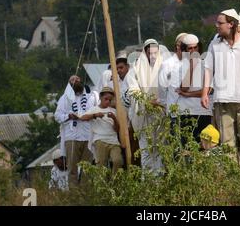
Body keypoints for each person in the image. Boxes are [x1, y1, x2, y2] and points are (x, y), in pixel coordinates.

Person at [202, 8, 240, 175]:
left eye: (220, 23)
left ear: (231, 24)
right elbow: (208, 68)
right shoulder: (215, 44)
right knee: (227, 142)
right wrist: (205, 92)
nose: (216, 26)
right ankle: (232, 176)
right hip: (222, 99)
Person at [126, 39, 167, 175]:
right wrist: (146, 102)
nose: (153, 56)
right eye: (150, 53)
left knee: (161, 150)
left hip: (162, 115)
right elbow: (133, 91)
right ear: (145, 53)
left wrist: (161, 102)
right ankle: (149, 183)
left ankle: (160, 183)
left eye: (155, 53)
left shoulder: (165, 67)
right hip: (144, 117)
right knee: (147, 151)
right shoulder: (135, 70)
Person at [54, 75, 95, 187]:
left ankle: (85, 194)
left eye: (77, 79)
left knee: (87, 168)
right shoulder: (64, 98)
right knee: (72, 168)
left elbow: (95, 113)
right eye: (72, 80)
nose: (76, 81)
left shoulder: (90, 97)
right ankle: (74, 196)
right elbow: (57, 116)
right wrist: (69, 116)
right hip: (72, 136)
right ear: (69, 84)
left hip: (87, 136)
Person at [177, 34, 213, 143]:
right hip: (186, 112)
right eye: (190, 48)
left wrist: (188, 94)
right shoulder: (180, 66)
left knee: (204, 146)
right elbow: (184, 87)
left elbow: (207, 91)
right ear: (185, 50)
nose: (193, 51)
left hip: (203, 111)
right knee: (187, 146)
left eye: (195, 47)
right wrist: (192, 67)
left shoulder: (206, 65)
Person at [81, 87, 123, 175]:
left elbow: (117, 129)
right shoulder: (94, 109)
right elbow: (82, 118)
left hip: (113, 141)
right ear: (100, 97)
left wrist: (114, 118)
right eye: (106, 99)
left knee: (118, 161)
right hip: (100, 140)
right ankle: (102, 186)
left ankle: (114, 183)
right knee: (101, 165)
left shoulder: (114, 111)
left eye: (110, 100)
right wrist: (95, 115)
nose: (107, 101)